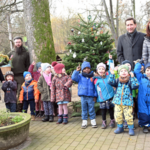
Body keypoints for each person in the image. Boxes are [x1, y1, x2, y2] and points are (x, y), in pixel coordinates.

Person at [108, 65, 139, 136]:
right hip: (118, 102)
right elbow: (110, 82)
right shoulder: (117, 80)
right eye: (121, 71)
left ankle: (131, 128)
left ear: (128, 72)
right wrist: (112, 74)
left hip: (127, 102)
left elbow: (135, 86)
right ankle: (120, 127)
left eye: (125, 71)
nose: (123, 72)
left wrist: (133, 77)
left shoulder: (130, 80)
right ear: (119, 73)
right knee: (118, 115)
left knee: (128, 116)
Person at [72, 61, 97, 129]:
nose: (86, 69)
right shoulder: (80, 76)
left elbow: (95, 86)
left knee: (91, 108)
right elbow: (73, 78)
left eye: (88, 68)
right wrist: (76, 71)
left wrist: (95, 95)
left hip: (91, 96)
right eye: (85, 68)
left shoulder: (93, 76)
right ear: (82, 69)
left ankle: (93, 120)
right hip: (83, 96)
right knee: (84, 108)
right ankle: (84, 121)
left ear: (90, 69)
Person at [8, 37, 30, 112]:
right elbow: (5, 62)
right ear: (14, 43)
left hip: (21, 76)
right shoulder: (11, 53)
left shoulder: (26, 53)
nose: (18, 44)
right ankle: (13, 110)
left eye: (19, 42)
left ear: (21, 43)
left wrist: (26, 76)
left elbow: (28, 65)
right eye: (16, 42)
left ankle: (20, 109)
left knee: (20, 93)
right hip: (12, 77)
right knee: (12, 93)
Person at [94, 55, 115, 129]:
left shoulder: (108, 75)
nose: (101, 70)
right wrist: (96, 97)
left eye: (102, 69)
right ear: (97, 70)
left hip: (110, 96)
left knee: (111, 109)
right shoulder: (96, 79)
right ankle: (104, 121)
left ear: (105, 70)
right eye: (99, 69)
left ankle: (112, 120)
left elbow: (111, 68)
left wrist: (110, 59)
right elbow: (95, 89)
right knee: (103, 110)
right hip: (102, 97)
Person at [134, 61, 150, 133]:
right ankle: (145, 126)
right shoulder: (141, 77)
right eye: (147, 70)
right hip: (142, 100)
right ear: (145, 70)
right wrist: (139, 64)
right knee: (144, 113)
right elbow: (136, 71)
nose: (149, 72)